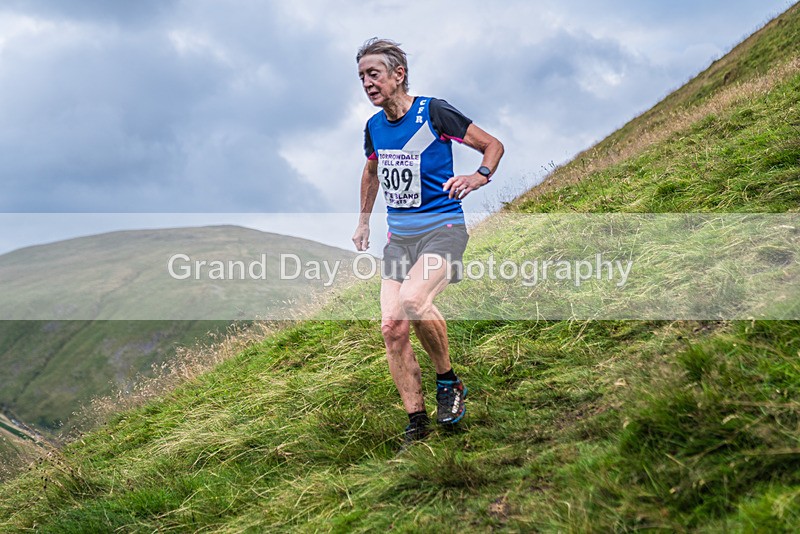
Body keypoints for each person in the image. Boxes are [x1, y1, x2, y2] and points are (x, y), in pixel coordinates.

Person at [352, 38, 504, 445]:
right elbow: (371, 170)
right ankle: (416, 422)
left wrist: (479, 176)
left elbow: (492, 145)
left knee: (415, 300)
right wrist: (363, 221)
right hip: (399, 241)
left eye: (374, 74)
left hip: (443, 230)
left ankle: (448, 382)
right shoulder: (374, 127)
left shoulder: (433, 111)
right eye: (362, 76)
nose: (367, 83)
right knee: (391, 327)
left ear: (398, 75)